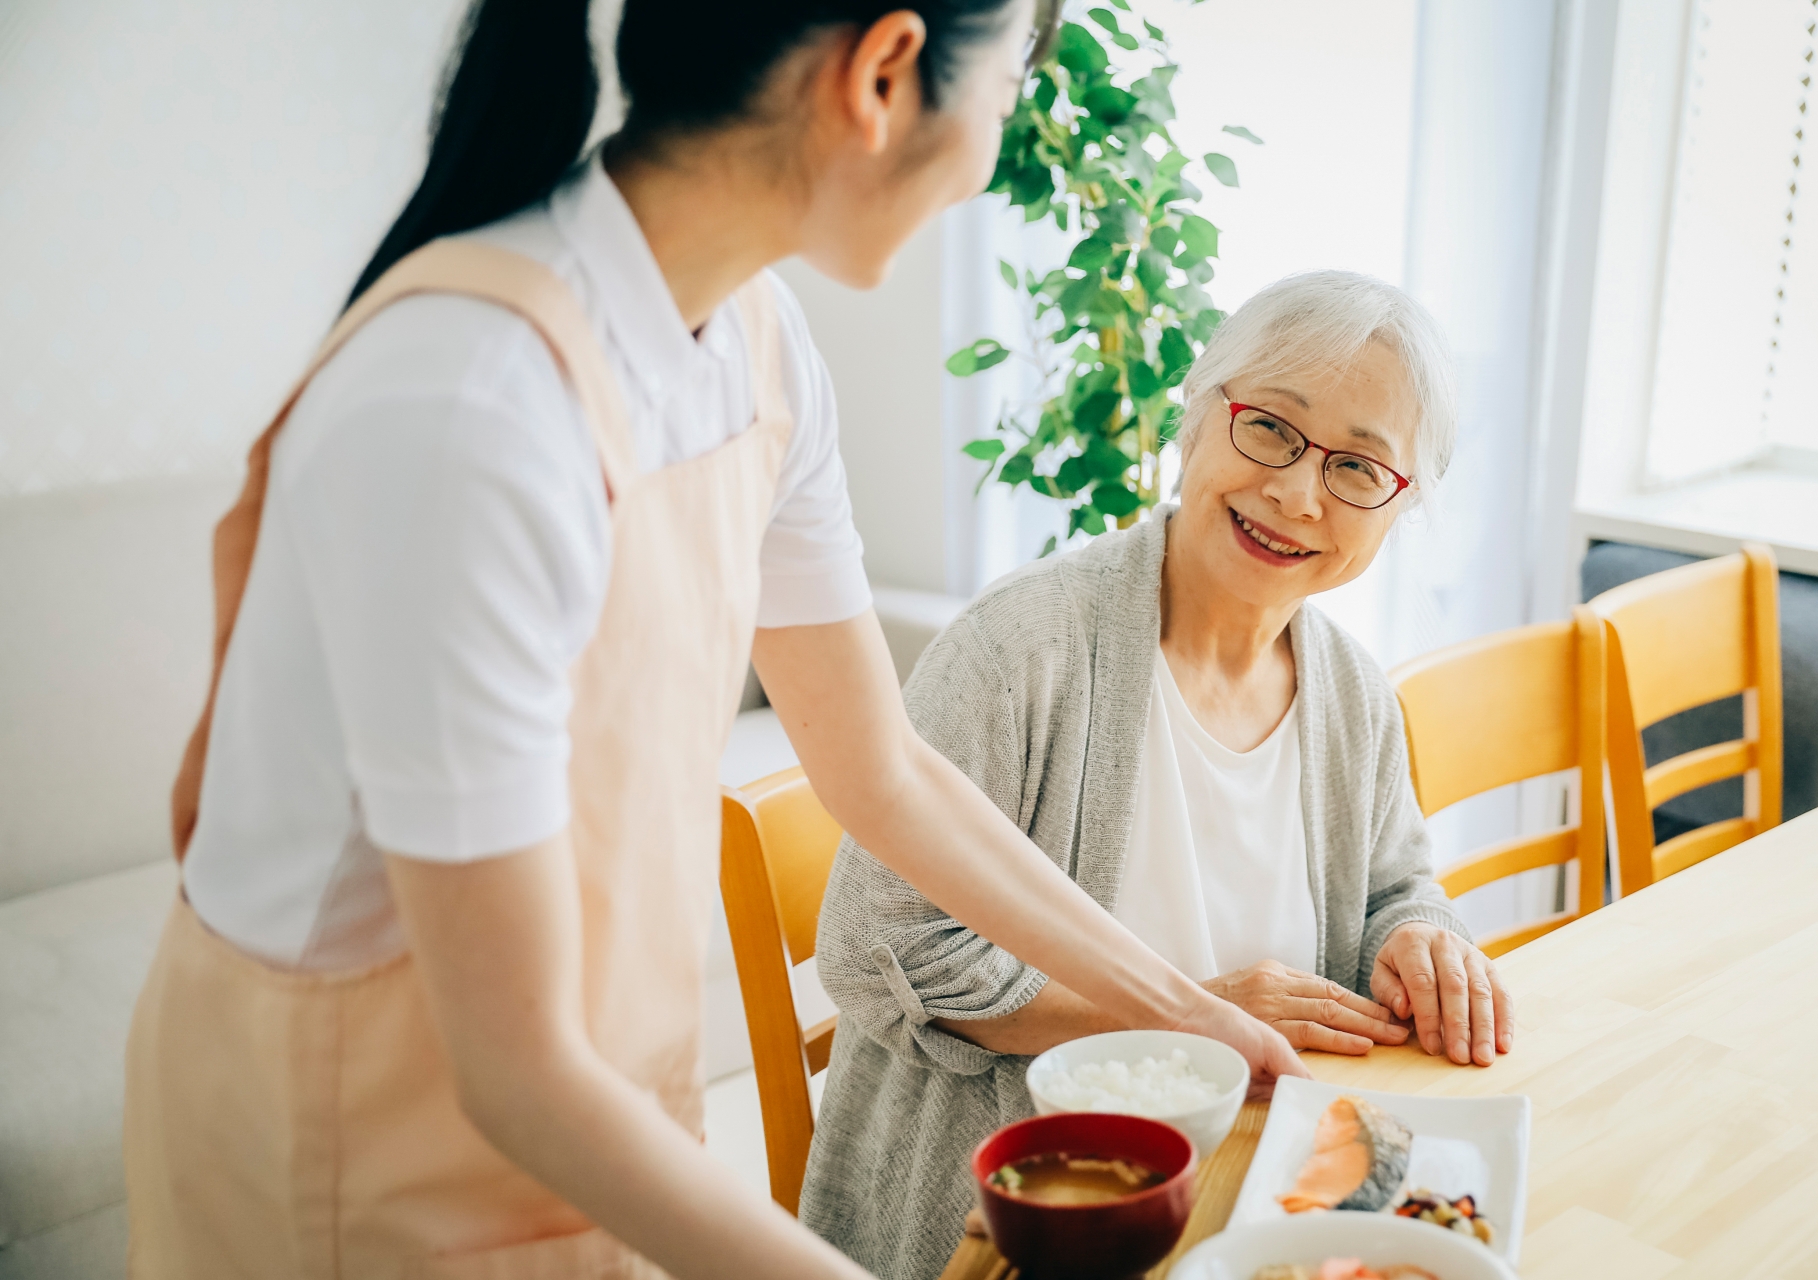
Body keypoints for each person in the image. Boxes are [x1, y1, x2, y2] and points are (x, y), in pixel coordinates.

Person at [120, 3, 1308, 1278]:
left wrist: (1192, 1012)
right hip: (352, 1154)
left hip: (594, 1111)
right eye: (1012, 90)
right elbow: (515, 1075)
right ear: (885, 70)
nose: (994, 155)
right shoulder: (470, 408)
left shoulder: (759, 344)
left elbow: (881, 771)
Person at [801, 271, 1518, 1280]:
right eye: (1270, 426)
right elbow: (879, 945)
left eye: (1358, 467)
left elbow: (1398, 883)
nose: (1296, 491)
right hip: (1019, 1218)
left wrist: (1421, 936)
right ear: (1198, 413)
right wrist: (1192, 1009)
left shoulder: (1353, 690)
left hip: (1260, 1202)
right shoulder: (1021, 650)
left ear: (1401, 504)